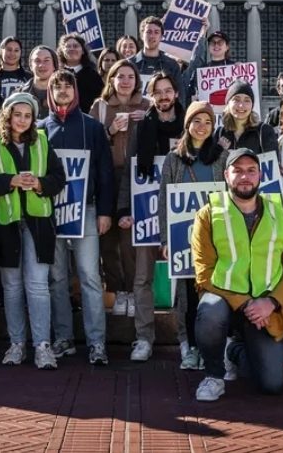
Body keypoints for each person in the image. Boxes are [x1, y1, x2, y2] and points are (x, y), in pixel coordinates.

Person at [192, 147, 283, 401]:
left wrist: (271, 302)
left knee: (272, 385)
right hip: (225, 299)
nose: (245, 177)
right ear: (226, 175)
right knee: (209, 312)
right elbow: (204, 273)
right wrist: (244, 303)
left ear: (260, 175)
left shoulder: (281, 213)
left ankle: (234, 350)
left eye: (251, 171)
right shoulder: (208, 214)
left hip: (265, 308)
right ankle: (213, 375)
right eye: (238, 171)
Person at [0, 93, 67, 369]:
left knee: (38, 286)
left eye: (27, 116)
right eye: (17, 115)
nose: (22, 120)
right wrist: (11, 181)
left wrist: (39, 184)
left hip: (38, 223)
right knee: (12, 287)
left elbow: (58, 179)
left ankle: (42, 346)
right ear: (6, 116)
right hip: (5, 224)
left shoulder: (42, 140)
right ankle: (16, 344)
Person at [42, 70, 114, 366]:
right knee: (57, 277)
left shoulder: (92, 127)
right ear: (50, 92)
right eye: (57, 86)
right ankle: (64, 338)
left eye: (67, 86)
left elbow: (105, 171)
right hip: (50, 212)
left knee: (89, 276)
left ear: (75, 91)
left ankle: (97, 343)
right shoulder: (40, 129)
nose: (63, 91)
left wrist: (105, 211)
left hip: (86, 209)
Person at [117, 72, 184, 361]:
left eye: (168, 91)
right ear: (152, 96)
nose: (164, 96)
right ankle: (144, 337)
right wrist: (124, 209)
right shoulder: (142, 127)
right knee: (142, 278)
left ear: (176, 94)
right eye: (158, 92)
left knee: (184, 278)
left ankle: (186, 338)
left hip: (181, 213)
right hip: (146, 211)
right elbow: (130, 170)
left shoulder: (189, 124)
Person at [160, 100, 228, 371]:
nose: (202, 127)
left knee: (212, 291)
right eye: (197, 121)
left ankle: (210, 348)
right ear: (187, 124)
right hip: (183, 236)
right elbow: (164, 200)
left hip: (216, 237)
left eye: (208, 122)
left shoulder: (222, 157)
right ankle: (188, 347)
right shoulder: (173, 159)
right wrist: (166, 239)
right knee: (186, 295)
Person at [90, 59, 148, 318]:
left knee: (130, 239)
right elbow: (92, 142)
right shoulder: (100, 106)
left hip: (137, 177)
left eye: (130, 77)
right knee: (108, 239)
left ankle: (133, 291)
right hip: (107, 177)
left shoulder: (147, 105)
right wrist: (110, 129)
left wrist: (148, 121)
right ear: (111, 80)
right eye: (120, 76)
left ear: (137, 81)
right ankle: (117, 290)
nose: (125, 81)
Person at [214, 80, 278, 154]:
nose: (241, 105)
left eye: (247, 100)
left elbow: (272, 161)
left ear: (252, 105)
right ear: (228, 103)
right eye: (236, 100)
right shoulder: (220, 133)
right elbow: (212, 160)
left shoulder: (264, 131)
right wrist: (221, 152)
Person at [181, 30, 233, 106]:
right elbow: (191, 90)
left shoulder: (234, 68)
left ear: (227, 47)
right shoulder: (201, 70)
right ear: (208, 47)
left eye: (220, 42)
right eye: (212, 42)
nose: (216, 45)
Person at [129, 17, 182, 91]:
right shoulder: (130, 64)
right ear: (141, 36)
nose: (152, 36)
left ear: (161, 37)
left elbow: (179, 94)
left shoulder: (172, 65)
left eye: (156, 32)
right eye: (149, 32)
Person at [57, 33, 105, 110]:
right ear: (62, 51)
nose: (72, 49)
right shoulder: (56, 74)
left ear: (83, 51)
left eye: (75, 46)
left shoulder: (93, 75)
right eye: (68, 46)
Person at [21, 45, 58, 119]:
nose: (41, 65)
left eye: (46, 60)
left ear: (54, 65)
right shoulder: (19, 94)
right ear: (31, 66)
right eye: (37, 61)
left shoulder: (65, 93)